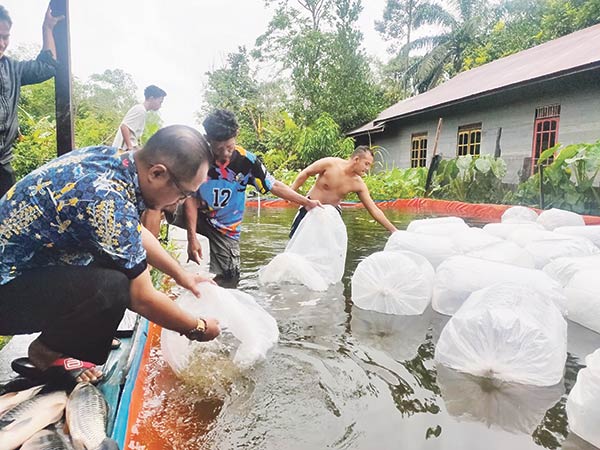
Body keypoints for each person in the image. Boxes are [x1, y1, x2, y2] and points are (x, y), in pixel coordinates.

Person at [0, 125, 220, 385]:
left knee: (122, 265)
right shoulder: (105, 200)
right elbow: (143, 299)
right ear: (157, 173)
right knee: (117, 285)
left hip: (25, 272)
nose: (179, 203)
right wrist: (197, 328)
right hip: (7, 291)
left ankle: (64, 341)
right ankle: (48, 354)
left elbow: (133, 232)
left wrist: (182, 276)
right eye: (183, 194)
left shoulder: (114, 162)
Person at [172, 109, 321, 288]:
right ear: (208, 139)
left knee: (230, 278)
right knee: (158, 203)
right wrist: (191, 239)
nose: (225, 154)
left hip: (225, 227)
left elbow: (274, 185)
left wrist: (307, 202)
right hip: (195, 212)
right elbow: (190, 199)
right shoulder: (197, 159)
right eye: (219, 149)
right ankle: (148, 260)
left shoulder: (247, 161)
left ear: (236, 135)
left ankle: (210, 301)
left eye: (229, 147)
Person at [0, 4, 63, 198]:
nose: (2, 43)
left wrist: (47, 29)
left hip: (2, 165)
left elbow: (46, 66)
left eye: (5, 36)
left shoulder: (11, 69)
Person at [289, 145, 398, 237]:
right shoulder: (330, 164)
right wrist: (290, 192)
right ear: (356, 159)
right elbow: (306, 173)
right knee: (295, 238)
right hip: (309, 207)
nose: (368, 169)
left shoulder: (358, 184)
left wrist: (393, 230)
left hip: (331, 215)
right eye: (366, 164)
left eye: (370, 165)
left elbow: (374, 209)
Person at [112, 84, 166, 151]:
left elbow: (132, 137)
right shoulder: (140, 110)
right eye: (160, 102)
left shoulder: (141, 110)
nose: (160, 105)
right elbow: (124, 127)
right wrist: (130, 147)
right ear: (151, 99)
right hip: (121, 150)